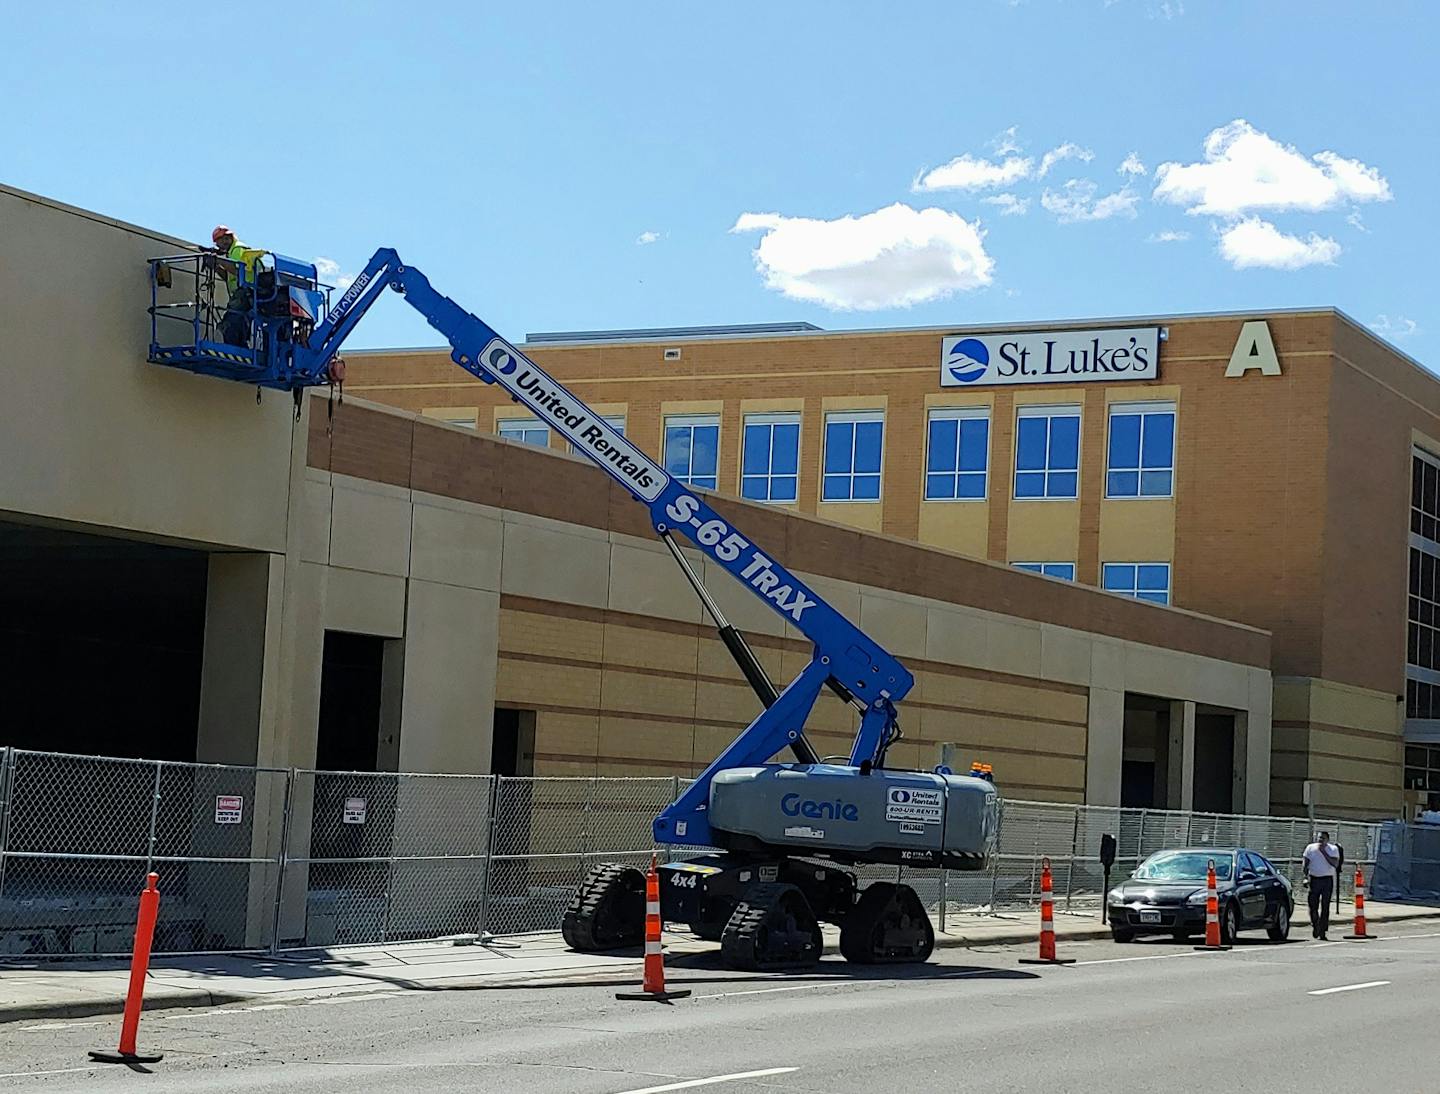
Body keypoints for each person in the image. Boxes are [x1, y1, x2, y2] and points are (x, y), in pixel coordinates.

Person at [209, 226, 267, 347]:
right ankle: (240, 347)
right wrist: (215, 266)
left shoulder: (237, 249)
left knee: (230, 324)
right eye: (220, 242)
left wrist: (217, 259)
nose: (221, 245)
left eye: (224, 240)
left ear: (229, 238)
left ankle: (237, 348)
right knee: (237, 325)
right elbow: (228, 276)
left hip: (246, 292)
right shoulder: (231, 252)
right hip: (244, 293)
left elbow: (236, 269)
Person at [1301, 830, 1340, 939]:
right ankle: (1315, 924)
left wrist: (1323, 852)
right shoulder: (1310, 848)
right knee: (1313, 905)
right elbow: (1305, 864)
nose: (1320, 840)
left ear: (1327, 840)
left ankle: (1323, 930)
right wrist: (1305, 877)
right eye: (1319, 838)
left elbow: (1335, 864)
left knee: (1325, 906)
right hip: (1314, 879)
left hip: (1327, 880)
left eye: (1322, 838)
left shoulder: (1333, 849)